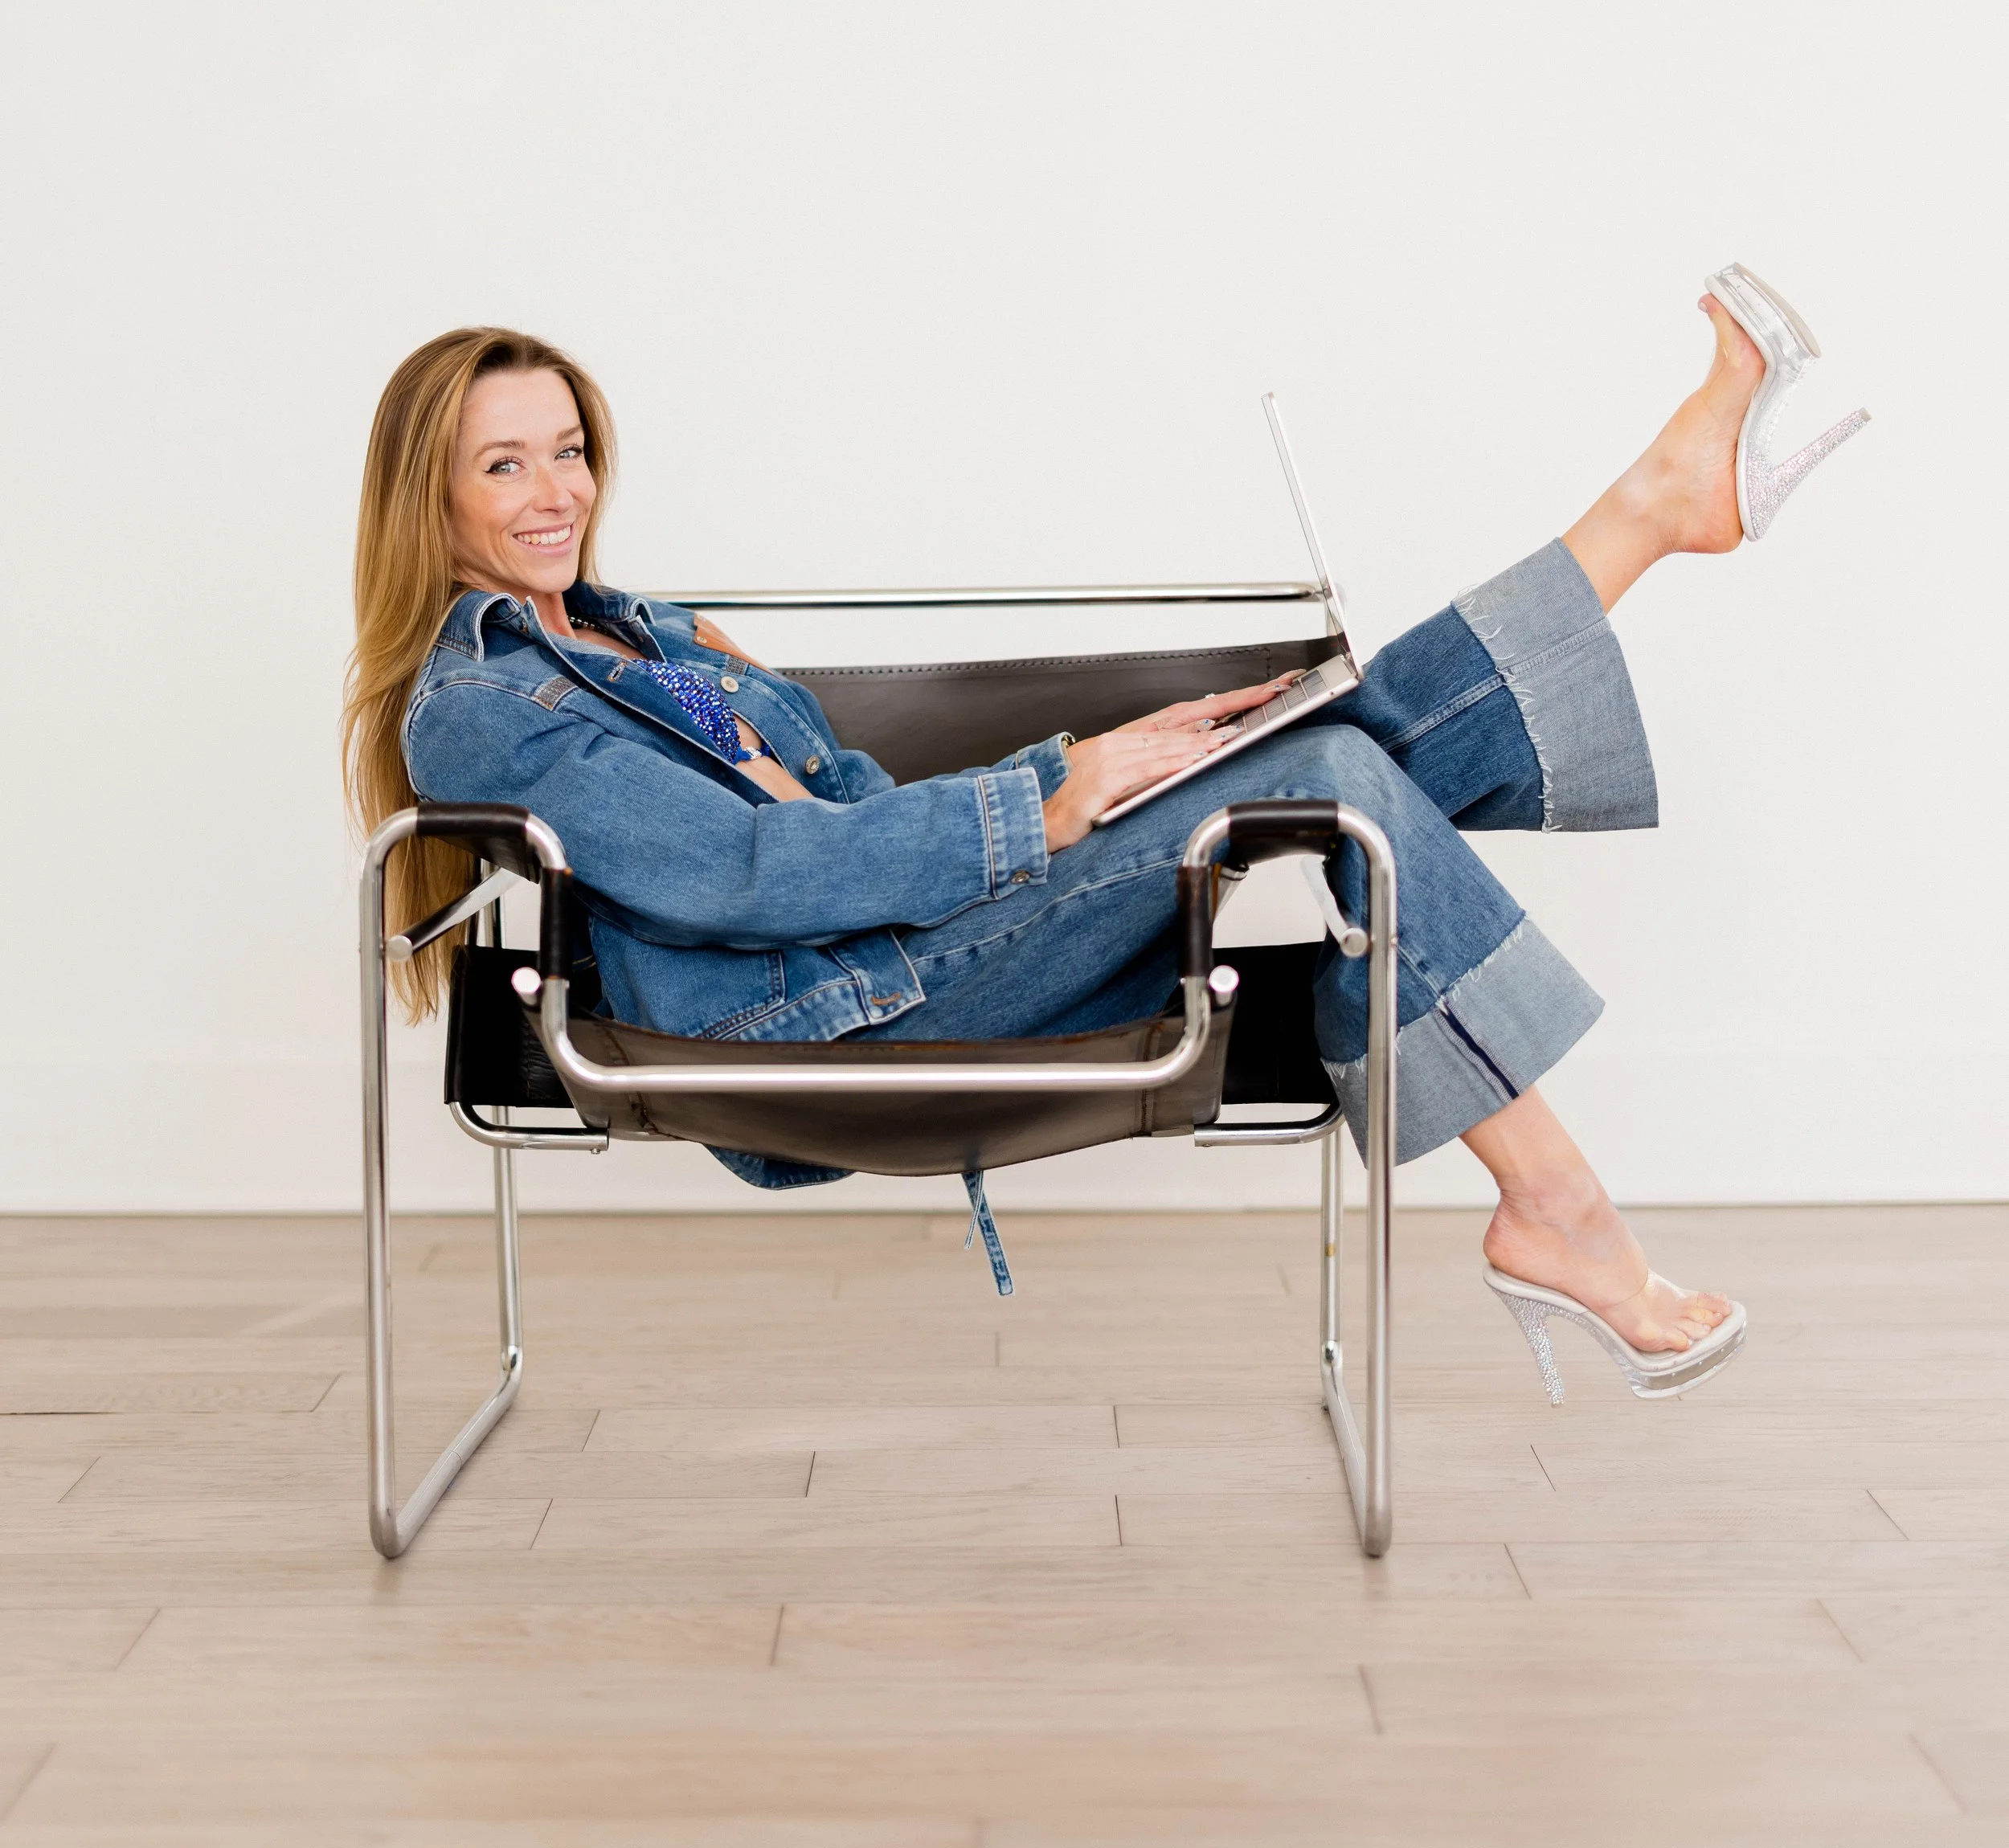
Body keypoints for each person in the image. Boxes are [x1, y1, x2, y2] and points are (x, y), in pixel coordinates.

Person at [343, 271, 1866, 1401]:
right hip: (816, 1013)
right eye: (505, 464)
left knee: (1312, 744)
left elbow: (845, 804)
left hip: (902, 945)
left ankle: (1658, 511)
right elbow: (746, 877)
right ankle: (1560, 1207)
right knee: (1331, 776)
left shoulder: (636, 633)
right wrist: (1049, 799)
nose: (557, 493)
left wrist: (1093, 763)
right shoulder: (481, 706)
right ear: (435, 489)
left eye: (569, 450)